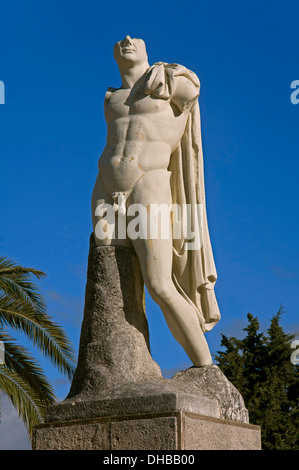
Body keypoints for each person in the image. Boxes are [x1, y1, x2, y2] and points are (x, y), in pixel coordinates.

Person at [91, 36, 220, 366]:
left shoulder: (171, 80)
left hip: (150, 182)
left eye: (135, 40)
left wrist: (169, 73)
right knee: (109, 274)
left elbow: (193, 91)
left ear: (147, 51)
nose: (125, 41)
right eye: (120, 42)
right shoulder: (111, 97)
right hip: (107, 187)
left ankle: (205, 368)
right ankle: (123, 370)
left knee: (160, 283)